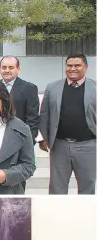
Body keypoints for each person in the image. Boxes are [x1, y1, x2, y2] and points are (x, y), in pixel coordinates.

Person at [39, 53, 96, 194]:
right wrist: (45, 138)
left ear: (86, 67)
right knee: (57, 188)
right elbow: (44, 115)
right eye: (69, 65)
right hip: (59, 145)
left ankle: (84, 215)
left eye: (77, 65)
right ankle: (56, 215)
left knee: (87, 186)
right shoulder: (53, 87)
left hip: (87, 145)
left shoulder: (95, 88)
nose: (73, 68)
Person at [0, 56, 40, 142]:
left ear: (18, 69)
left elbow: (32, 118)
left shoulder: (29, 88)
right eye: (4, 67)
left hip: (19, 138)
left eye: (11, 68)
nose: (7, 70)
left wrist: (29, 140)